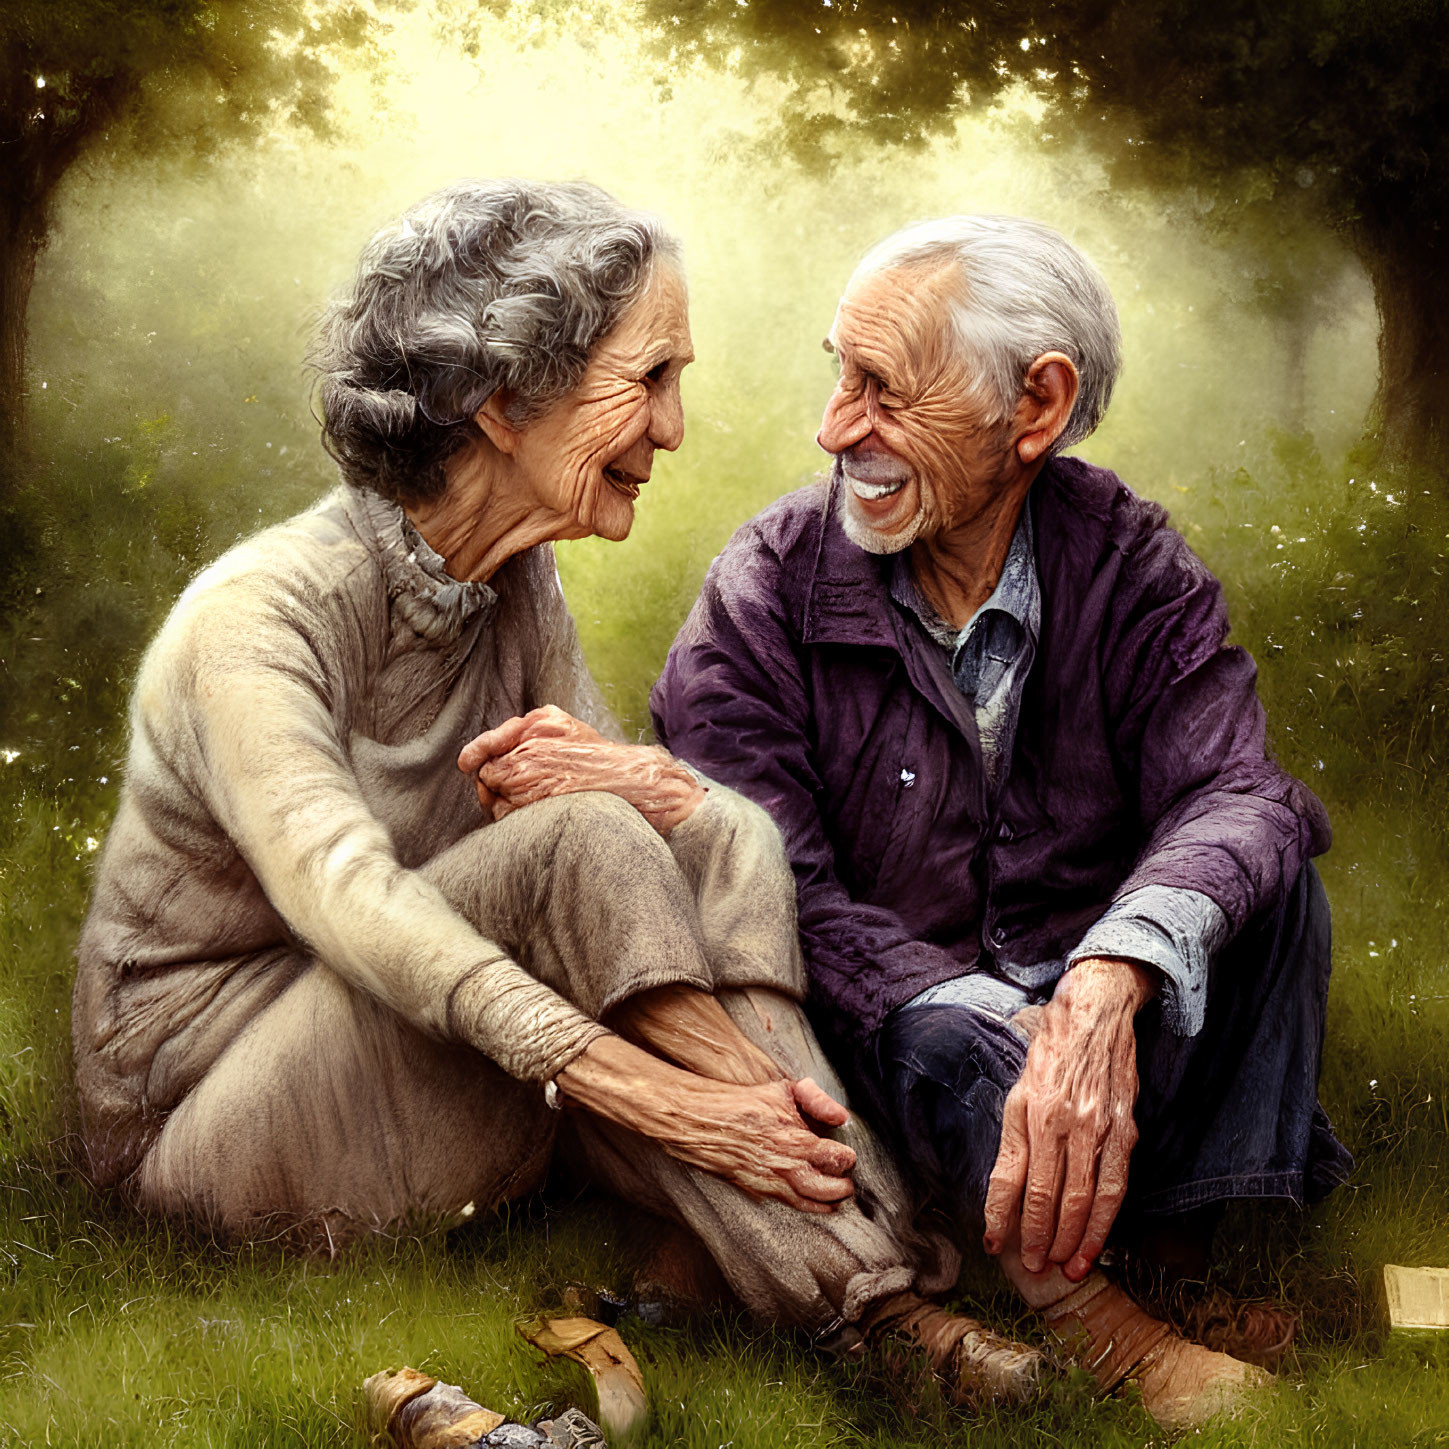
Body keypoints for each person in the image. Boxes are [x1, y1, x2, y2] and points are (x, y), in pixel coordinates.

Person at [70, 180, 1043, 1403]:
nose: (677, 427)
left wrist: (661, 791)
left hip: (433, 1068)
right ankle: (884, 1298)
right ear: (500, 402)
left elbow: (671, 875)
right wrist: (678, 1105)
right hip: (218, 1134)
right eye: (648, 381)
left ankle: (870, 1286)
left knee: (630, 833)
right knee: (586, 849)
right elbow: (352, 901)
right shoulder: (258, 616)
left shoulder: (515, 585)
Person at [651, 214, 1353, 1425]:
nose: (835, 430)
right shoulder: (769, 580)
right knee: (950, 1036)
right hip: (895, 1032)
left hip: (1095, 1021)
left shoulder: (1128, 559)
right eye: (839, 375)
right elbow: (766, 881)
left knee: (1270, 888)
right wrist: (994, 1015)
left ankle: (1173, 1258)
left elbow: (1237, 787)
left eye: (881, 391)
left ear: (1036, 407)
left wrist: (1115, 966)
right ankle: (1104, 1323)